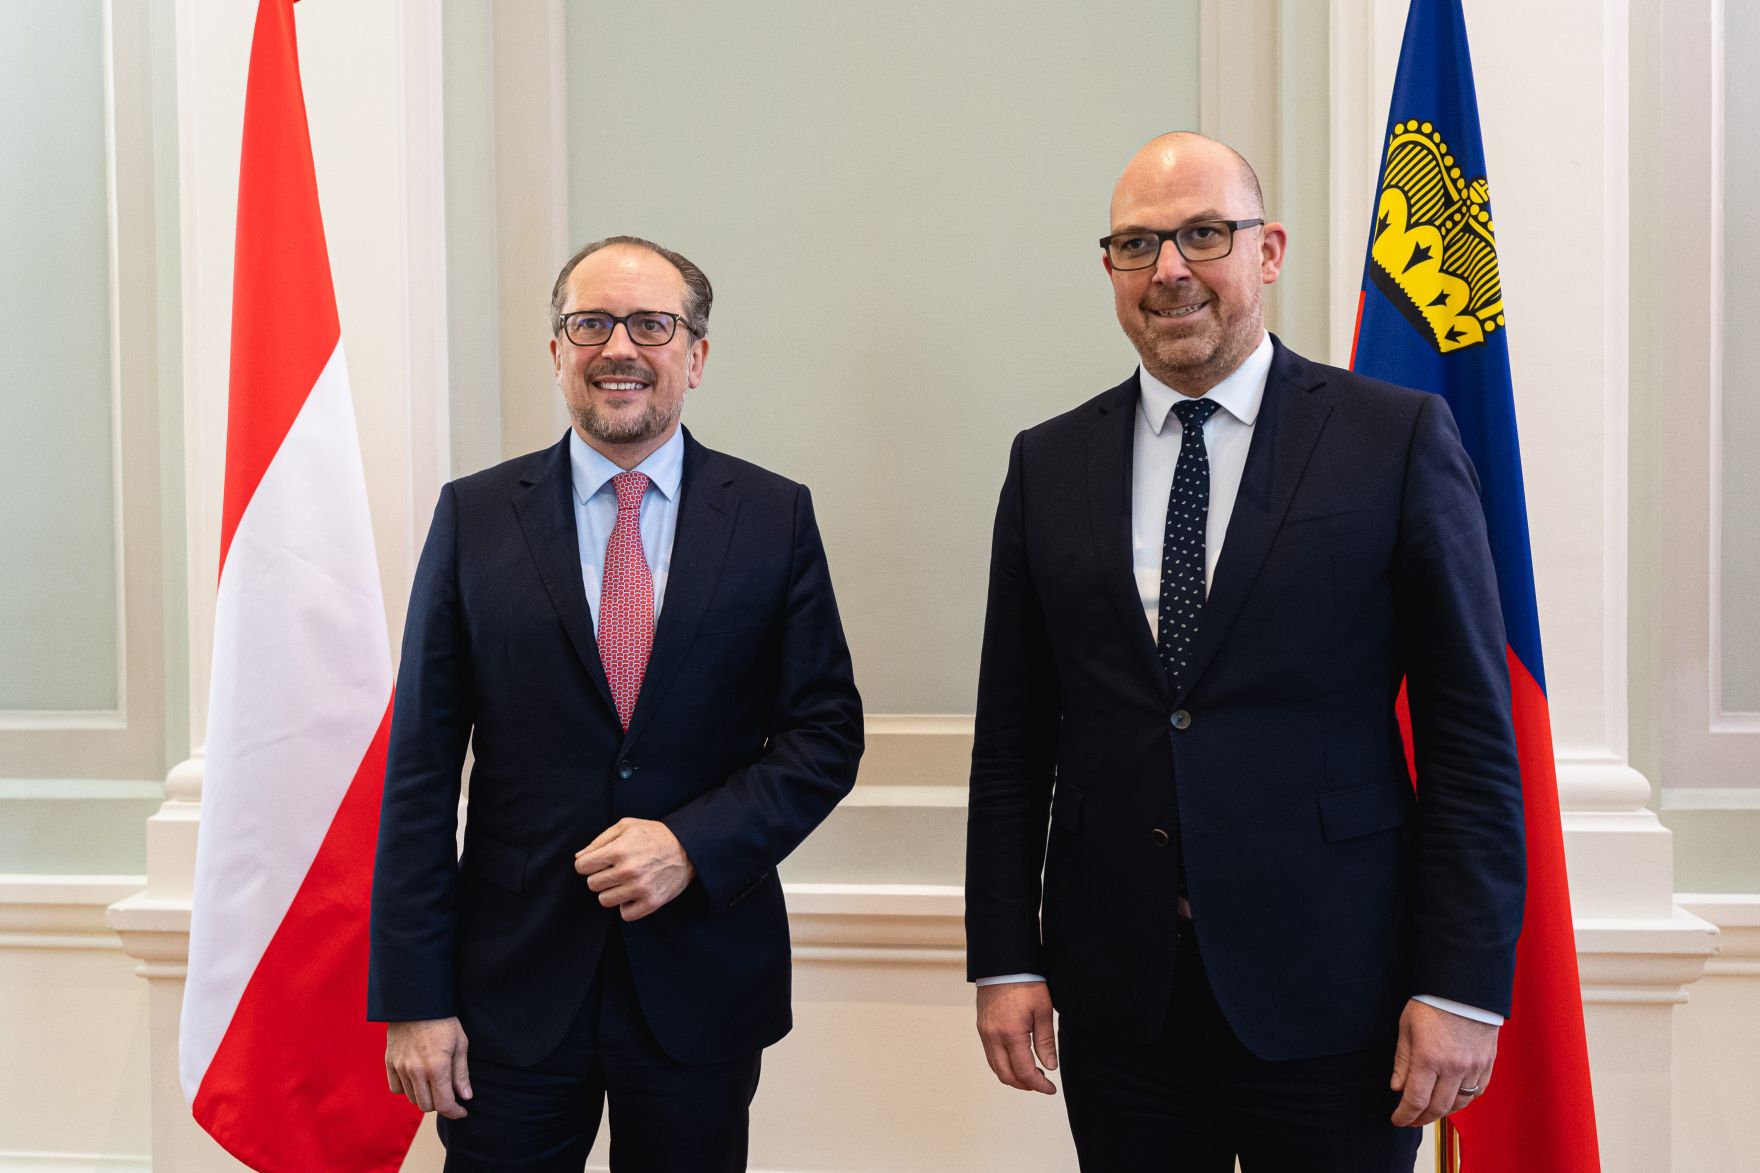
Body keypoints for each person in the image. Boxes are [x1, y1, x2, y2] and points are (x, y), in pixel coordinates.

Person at [964, 132, 1526, 1171]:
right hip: (1121, 1000)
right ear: (1110, 272)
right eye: (1137, 245)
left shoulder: (1391, 438)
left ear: (1265, 252)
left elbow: (1467, 740)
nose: (1168, 270)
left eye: (1202, 235)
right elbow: (1011, 739)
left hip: (1337, 998)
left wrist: (1456, 987)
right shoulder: (1047, 463)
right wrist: (1001, 955)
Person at [369, 236, 863, 1172]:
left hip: (701, 979)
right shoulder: (474, 516)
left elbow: (826, 735)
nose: (619, 347)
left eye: (651, 324)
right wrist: (414, 996)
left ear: (696, 355)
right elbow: (421, 773)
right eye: (590, 323)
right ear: (557, 350)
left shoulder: (772, 516)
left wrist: (690, 844)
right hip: (504, 998)